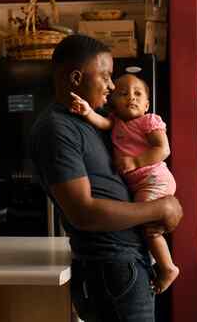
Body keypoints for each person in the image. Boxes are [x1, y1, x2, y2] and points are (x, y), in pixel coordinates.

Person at [29, 34, 183, 322]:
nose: (113, 86)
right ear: (76, 78)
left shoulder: (93, 120)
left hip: (127, 264)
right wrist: (163, 208)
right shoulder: (56, 130)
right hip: (110, 268)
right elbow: (83, 213)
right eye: (106, 76)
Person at [69, 73, 179, 293]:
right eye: (123, 93)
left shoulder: (149, 121)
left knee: (149, 228)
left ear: (147, 104)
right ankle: (156, 260)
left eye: (138, 94)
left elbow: (163, 149)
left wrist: (135, 161)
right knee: (145, 226)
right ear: (113, 102)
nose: (132, 97)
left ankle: (168, 268)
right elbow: (102, 122)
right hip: (140, 183)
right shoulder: (116, 122)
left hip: (154, 179)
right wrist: (87, 111)